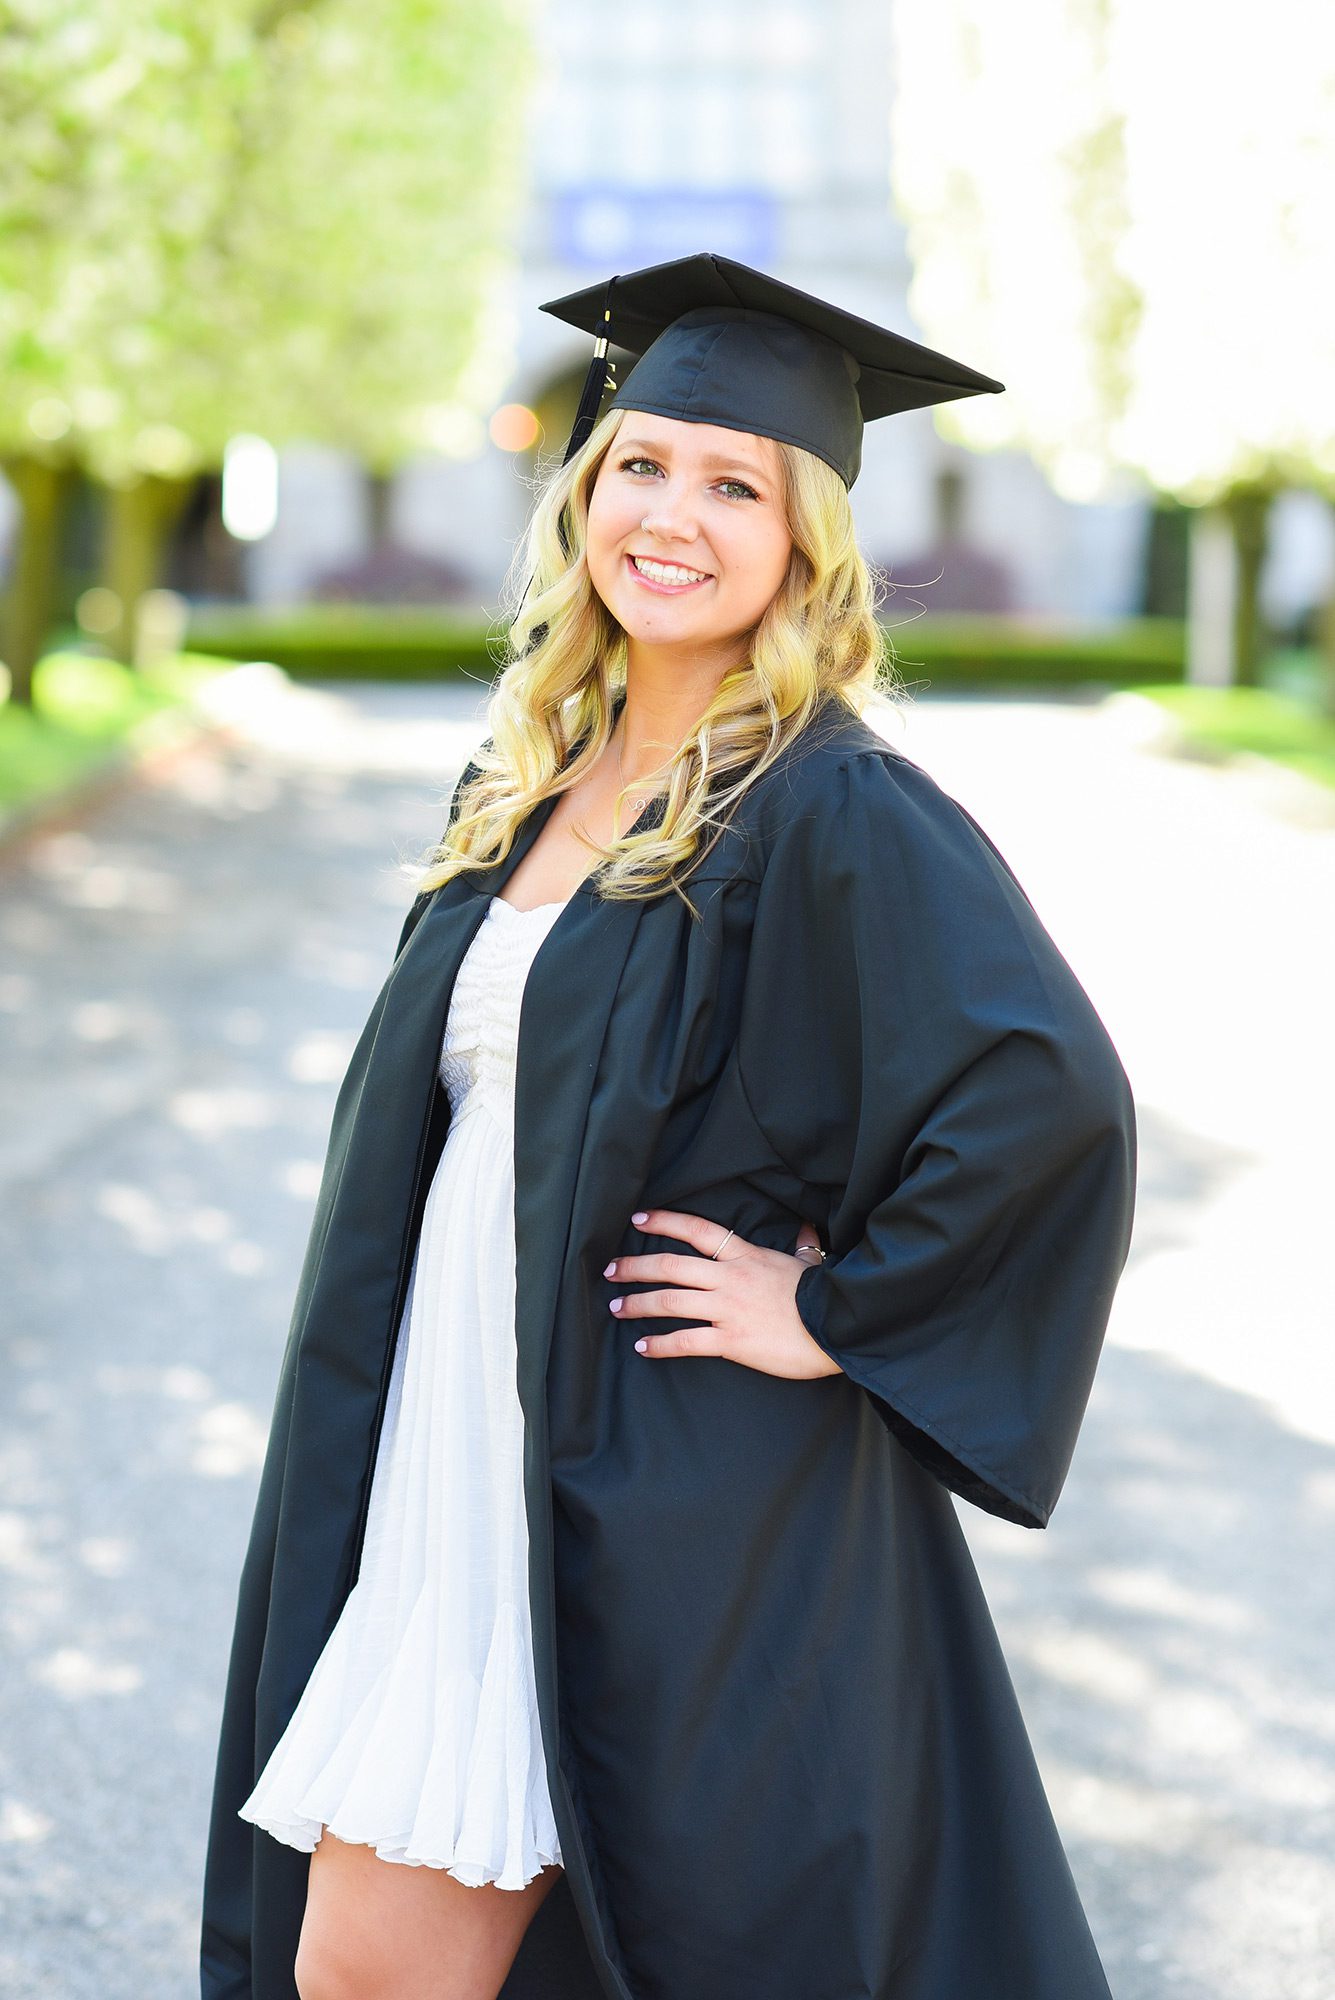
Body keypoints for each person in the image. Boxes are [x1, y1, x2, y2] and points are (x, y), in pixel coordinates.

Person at [201, 253, 1137, 2000]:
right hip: (456, 1447)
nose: (674, 516)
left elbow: (1044, 1093)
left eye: (736, 487)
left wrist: (832, 1313)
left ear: (807, 544)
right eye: (642, 463)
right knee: (366, 1968)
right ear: (584, 491)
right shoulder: (529, 780)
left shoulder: (831, 801)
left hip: (663, 1485)